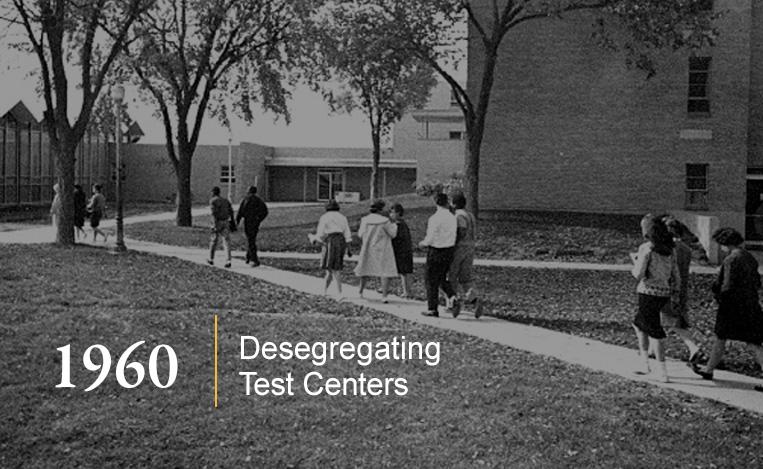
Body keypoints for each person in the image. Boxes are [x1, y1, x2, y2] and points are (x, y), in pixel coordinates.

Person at [692, 228, 763, 392]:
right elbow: (757, 283)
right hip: (751, 305)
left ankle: (709, 370)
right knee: (751, 343)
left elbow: (727, 286)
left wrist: (719, 298)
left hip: (732, 307)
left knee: (723, 338)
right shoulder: (749, 257)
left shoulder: (731, 259)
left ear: (725, 243)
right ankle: (708, 370)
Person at [630, 215, 680, 383]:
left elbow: (638, 274)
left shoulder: (647, 248)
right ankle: (645, 363)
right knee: (639, 324)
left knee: (654, 330)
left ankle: (661, 371)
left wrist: (635, 262)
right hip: (663, 292)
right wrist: (676, 291)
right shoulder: (670, 248)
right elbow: (676, 273)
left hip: (647, 291)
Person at [654, 215, 705, 365]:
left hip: (665, 288)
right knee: (677, 320)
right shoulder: (685, 248)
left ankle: (693, 347)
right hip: (681, 288)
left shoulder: (666, 248)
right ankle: (652, 350)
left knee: (663, 319)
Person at [419, 193, 458, 318]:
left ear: (436, 202)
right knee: (441, 277)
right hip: (449, 250)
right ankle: (452, 296)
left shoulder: (434, 218)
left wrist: (423, 243)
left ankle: (432, 308)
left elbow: (430, 237)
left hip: (436, 250)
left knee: (430, 280)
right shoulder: (452, 217)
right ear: (446, 202)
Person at [354, 199, 398, 303]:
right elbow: (393, 234)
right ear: (381, 209)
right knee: (385, 270)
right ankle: (384, 296)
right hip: (383, 248)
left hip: (368, 247)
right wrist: (395, 225)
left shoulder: (365, 220)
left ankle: (360, 291)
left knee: (365, 268)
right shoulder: (385, 221)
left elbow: (360, 234)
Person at [448, 192, 483, 319]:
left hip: (460, 248)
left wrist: (454, 243)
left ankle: (453, 302)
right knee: (466, 277)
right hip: (471, 247)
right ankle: (474, 297)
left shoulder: (458, 216)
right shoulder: (470, 215)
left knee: (452, 275)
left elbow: (461, 230)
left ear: (455, 204)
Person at [310, 199, 352, 299]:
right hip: (341, 241)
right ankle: (324, 290)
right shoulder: (342, 217)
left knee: (334, 268)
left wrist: (313, 238)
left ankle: (339, 292)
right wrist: (349, 248)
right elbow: (347, 233)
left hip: (331, 241)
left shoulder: (325, 217)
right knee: (330, 269)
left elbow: (320, 233)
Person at [236, 186, 269, 267]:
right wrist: (259, 219)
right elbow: (265, 211)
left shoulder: (245, 199)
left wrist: (236, 222)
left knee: (250, 240)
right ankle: (248, 256)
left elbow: (240, 212)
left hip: (247, 221)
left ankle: (254, 259)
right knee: (251, 238)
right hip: (255, 222)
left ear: (249, 191)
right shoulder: (259, 200)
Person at [389, 203, 414, 298]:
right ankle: (407, 290)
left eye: (392, 212)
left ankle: (407, 291)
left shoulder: (398, 225)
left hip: (401, 251)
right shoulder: (403, 224)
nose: (390, 214)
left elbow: (396, 238)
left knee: (404, 272)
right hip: (406, 250)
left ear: (398, 213)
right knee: (405, 272)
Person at [207, 186, 234, 268]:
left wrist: (214, 225)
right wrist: (232, 222)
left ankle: (211, 259)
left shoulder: (213, 201)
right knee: (226, 241)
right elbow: (231, 211)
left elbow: (213, 213)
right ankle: (228, 260)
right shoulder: (226, 201)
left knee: (214, 241)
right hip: (226, 221)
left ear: (213, 192)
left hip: (217, 222)